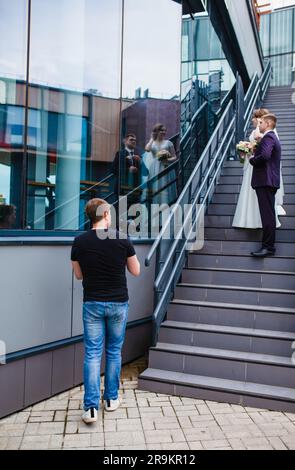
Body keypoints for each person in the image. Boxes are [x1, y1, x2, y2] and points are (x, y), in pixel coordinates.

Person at [71, 199, 140, 424]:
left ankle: (90, 408)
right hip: (118, 303)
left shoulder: (79, 241)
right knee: (113, 351)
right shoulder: (120, 238)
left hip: (92, 303)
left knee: (92, 353)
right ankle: (111, 399)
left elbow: (79, 275)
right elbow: (136, 271)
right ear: (106, 215)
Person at [232, 109, 285, 229]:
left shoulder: (268, 135)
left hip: (262, 171)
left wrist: (252, 157)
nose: (253, 120)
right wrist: (246, 149)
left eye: (255, 118)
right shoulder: (264, 133)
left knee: (266, 207)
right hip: (258, 171)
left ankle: (268, 243)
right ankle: (250, 220)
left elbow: (265, 153)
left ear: (262, 120)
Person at [249, 114, 281, 257]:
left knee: (267, 216)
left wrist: (252, 159)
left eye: (260, 122)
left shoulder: (268, 137)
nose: (258, 125)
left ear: (267, 123)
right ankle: (268, 246)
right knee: (268, 215)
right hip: (269, 181)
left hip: (265, 181)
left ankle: (268, 247)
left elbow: (266, 156)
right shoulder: (271, 137)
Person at [142, 123, 177, 205]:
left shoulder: (168, 143)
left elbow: (174, 157)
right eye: (161, 130)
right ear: (157, 131)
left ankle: (166, 206)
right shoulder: (152, 143)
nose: (164, 132)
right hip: (154, 168)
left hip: (165, 166)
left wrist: (167, 159)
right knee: (155, 186)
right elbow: (147, 149)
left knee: (165, 184)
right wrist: (152, 138)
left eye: (165, 130)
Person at [112, 134, 142, 199]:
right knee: (122, 208)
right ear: (125, 142)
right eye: (131, 140)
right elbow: (113, 169)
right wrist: (128, 169)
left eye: (135, 140)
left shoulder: (138, 156)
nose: (134, 141)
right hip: (122, 188)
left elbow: (146, 173)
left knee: (134, 208)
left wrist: (140, 161)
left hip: (135, 190)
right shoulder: (120, 153)